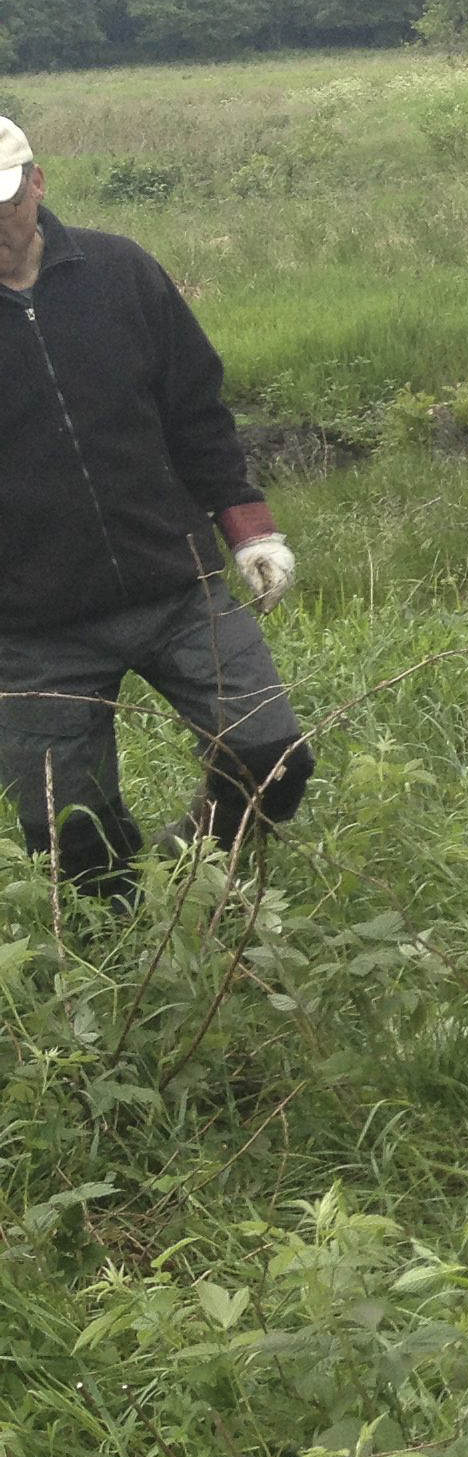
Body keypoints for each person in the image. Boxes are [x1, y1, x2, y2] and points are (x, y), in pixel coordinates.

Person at [0, 115, 313, 898]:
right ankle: (122, 942)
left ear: (37, 184)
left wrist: (249, 529)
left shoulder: (120, 272)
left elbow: (195, 411)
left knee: (272, 756)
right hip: (33, 624)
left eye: (3, 203)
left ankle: (186, 868)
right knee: (69, 830)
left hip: (175, 585)